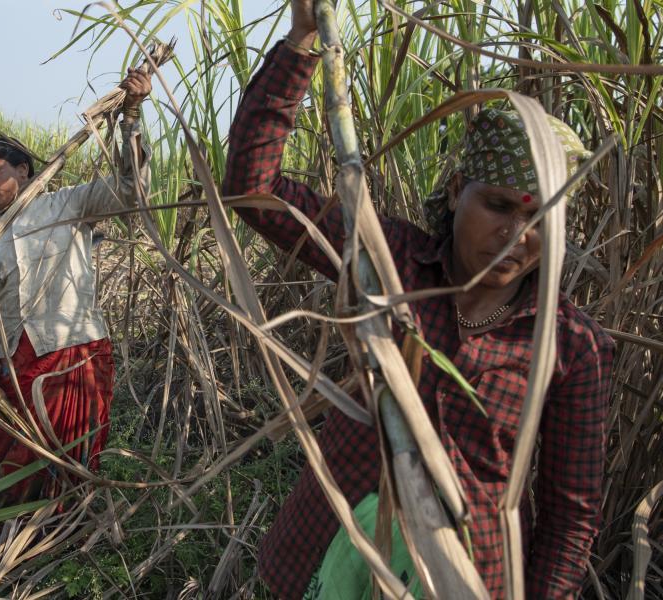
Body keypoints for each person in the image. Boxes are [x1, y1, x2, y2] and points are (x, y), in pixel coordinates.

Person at [221, 2, 614, 598]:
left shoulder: (570, 345)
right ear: (458, 191)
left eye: (540, 220)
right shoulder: (389, 260)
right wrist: (303, 41)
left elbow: (570, 516)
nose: (515, 237)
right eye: (499, 207)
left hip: (462, 575)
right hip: (329, 551)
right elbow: (255, 191)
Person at [0, 68, 153, 576]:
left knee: (72, 458)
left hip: (76, 352)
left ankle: (57, 551)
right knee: (3, 463)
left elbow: (131, 189)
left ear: (22, 168)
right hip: (16, 367)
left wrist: (132, 116)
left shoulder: (67, 205)